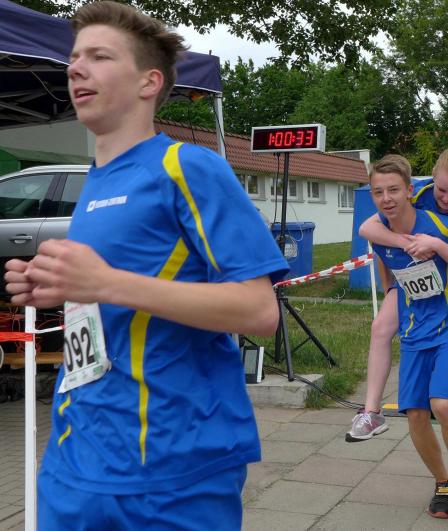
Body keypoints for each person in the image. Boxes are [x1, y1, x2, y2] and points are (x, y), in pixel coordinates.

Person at [3, 3, 290, 528]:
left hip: (171, 466)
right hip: (77, 454)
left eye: (99, 57)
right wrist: (57, 287)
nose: (76, 68)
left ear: (148, 82)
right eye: (74, 58)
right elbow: (114, 293)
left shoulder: (188, 167)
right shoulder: (95, 181)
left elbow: (259, 311)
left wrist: (106, 282)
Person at [349, 148, 448, 441]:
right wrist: (403, 246)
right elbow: (369, 229)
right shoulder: (416, 192)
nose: (446, 199)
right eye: (442, 190)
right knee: (380, 327)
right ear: (433, 177)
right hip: (421, 268)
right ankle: (372, 412)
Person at [367, 154, 448, 521]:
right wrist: (391, 290)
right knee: (415, 414)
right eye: (378, 192)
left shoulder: (444, 225)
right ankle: (442, 482)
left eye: (393, 190)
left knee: (443, 404)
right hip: (414, 332)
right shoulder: (378, 231)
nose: (386, 199)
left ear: (410, 191)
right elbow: (385, 262)